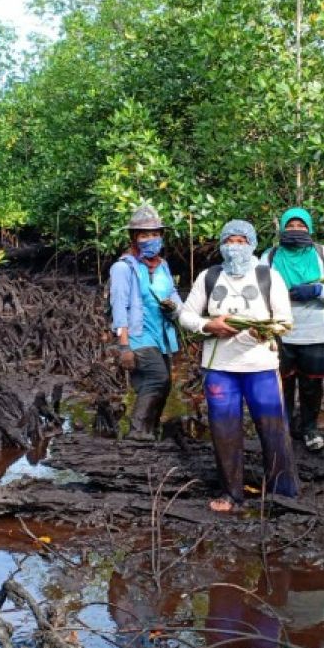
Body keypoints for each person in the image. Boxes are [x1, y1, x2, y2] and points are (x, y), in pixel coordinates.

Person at [179, 220, 299, 512]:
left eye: (241, 241)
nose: (235, 247)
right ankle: (231, 493)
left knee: (273, 428)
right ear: (221, 245)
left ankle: (283, 491)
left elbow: (285, 321)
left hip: (261, 367)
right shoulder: (209, 276)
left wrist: (265, 331)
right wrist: (210, 325)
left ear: (252, 244)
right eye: (229, 241)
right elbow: (185, 316)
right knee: (224, 429)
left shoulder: (269, 276)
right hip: (219, 367)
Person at [259, 208, 324, 453]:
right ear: (282, 229)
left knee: (311, 383)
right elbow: (258, 290)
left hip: (316, 329)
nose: (296, 230)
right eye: (290, 226)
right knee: (281, 381)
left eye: (301, 226)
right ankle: (282, 427)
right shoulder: (270, 256)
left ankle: (310, 428)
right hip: (280, 330)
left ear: (310, 229)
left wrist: (317, 290)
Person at [109, 205, 183, 441]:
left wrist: (174, 306)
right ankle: (137, 431)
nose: (150, 239)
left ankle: (151, 431)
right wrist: (124, 346)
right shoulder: (123, 267)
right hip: (137, 336)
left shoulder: (162, 266)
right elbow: (118, 308)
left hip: (161, 336)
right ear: (134, 238)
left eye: (154, 234)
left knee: (165, 382)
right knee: (156, 378)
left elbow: (173, 294)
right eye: (144, 235)